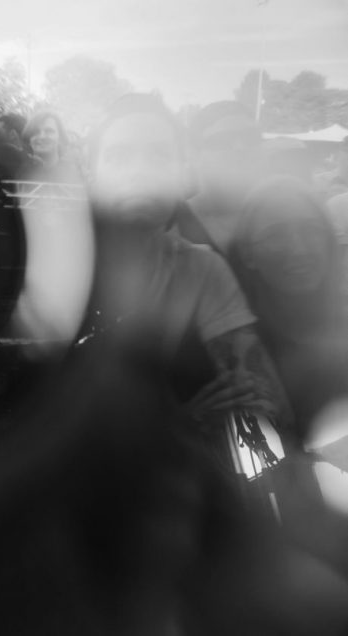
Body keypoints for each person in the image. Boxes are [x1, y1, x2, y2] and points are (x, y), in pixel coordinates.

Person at [80, 93, 293, 468]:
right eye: (120, 156)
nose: (140, 170)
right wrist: (178, 424)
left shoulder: (202, 267)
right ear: (92, 176)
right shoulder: (55, 266)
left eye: (160, 156)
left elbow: (264, 404)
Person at [229, 176, 348, 444]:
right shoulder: (237, 347)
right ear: (248, 254)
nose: (299, 249)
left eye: (311, 230)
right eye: (275, 235)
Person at [174, 100, 263, 254]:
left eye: (251, 139)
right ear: (193, 154)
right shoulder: (170, 225)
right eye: (223, 141)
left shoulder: (283, 220)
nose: (240, 148)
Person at [21, 110, 81, 184]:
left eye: (49, 131)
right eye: (36, 132)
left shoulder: (76, 175)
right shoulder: (18, 173)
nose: (42, 136)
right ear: (29, 139)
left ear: (60, 137)